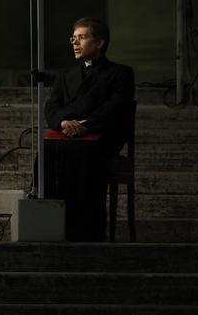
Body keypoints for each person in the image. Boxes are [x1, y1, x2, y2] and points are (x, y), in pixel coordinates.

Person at [40, 17, 134, 241]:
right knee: (45, 154)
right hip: (66, 134)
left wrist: (85, 125)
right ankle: (52, 228)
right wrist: (64, 123)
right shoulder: (65, 75)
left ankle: (86, 231)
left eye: (81, 37)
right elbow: (52, 106)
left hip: (100, 136)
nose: (75, 43)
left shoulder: (120, 73)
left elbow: (117, 107)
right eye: (73, 38)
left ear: (99, 43)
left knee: (83, 156)